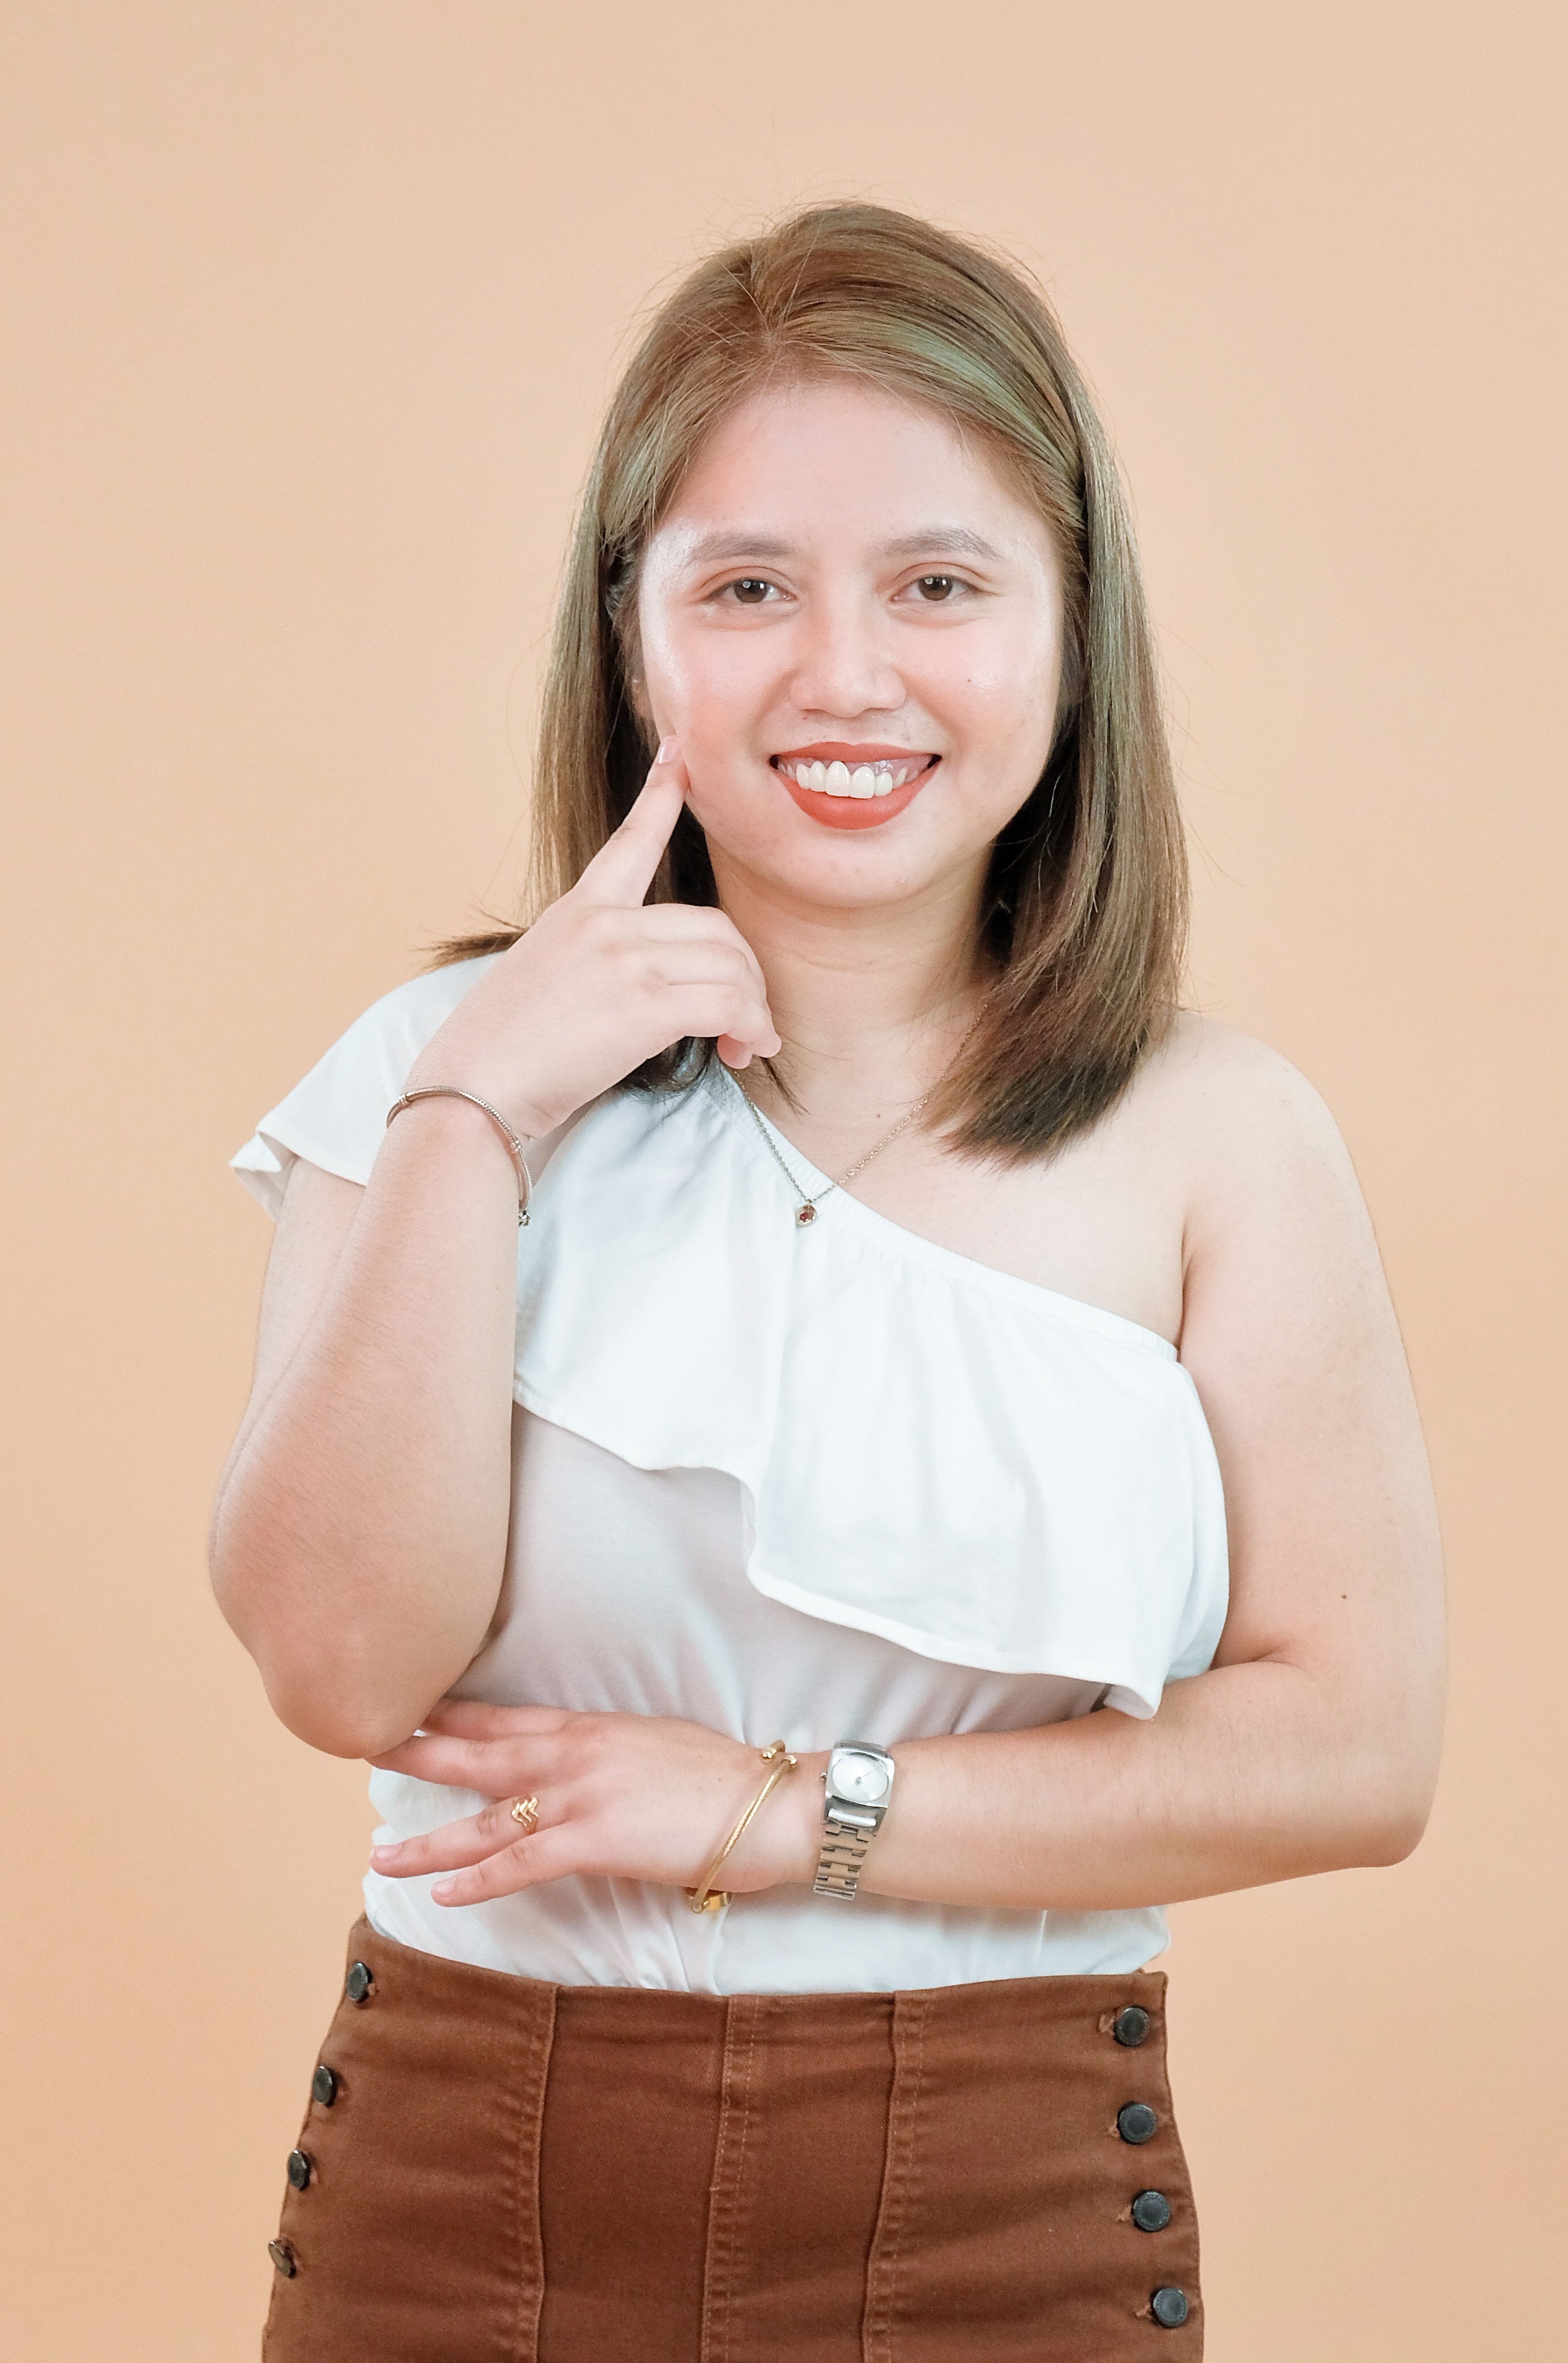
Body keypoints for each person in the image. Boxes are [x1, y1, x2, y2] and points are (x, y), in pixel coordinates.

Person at [212, 203, 1445, 2361]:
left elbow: (1353, 1750)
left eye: (938, 585)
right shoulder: (429, 1071)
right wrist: (474, 1114)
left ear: (1072, 633)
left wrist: (793, 1813)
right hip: (457, 2194)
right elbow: (334, 1664)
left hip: (1006, 2212)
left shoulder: (1218, 1132)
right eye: (747, 587)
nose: (844, 675)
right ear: (632, 638)